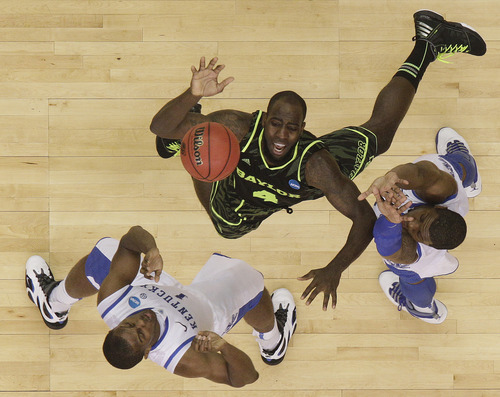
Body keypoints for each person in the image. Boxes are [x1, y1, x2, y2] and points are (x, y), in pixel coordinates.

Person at [149, 10, 486, 311]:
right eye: (276, 125)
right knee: (226, 224)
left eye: (292, 128)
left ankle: (426, 45)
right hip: (239, 193)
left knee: (379, 134)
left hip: (304, 181)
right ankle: (188, 140)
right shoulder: (235, 127)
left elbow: (364, 220)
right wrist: (192, 95)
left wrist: (334, 268)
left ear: (303, 130)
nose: (282, 136)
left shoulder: (318, 166)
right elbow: (157, 127)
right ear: (264, 119)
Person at [25, 226, 297, 387]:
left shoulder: (112, 303)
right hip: (209, 308)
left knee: (106, 254)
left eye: (129, 324)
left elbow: (131, 238)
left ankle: (54, 302)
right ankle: (273, 344)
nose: (142, 321)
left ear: (116, 325)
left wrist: (151, 251)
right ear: (147, 352)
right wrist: (224, 346)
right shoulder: (181, 358)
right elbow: (244, 378)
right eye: (141, 333)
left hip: (160, 290)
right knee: (253, 286)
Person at [357, 127, 481, 323]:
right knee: (458, 167)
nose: (411, 223)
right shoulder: (443, 193)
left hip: (423, 264)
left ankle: (422, 308)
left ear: (427, 245)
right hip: (448, 191)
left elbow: (388, 245)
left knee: (413, 281)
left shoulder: (414, 255)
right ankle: (471, 176)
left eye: (418, 234)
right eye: (422, 218)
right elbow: (422, 173)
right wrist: (394, 176)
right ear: (440, 208)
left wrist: (390, 222)